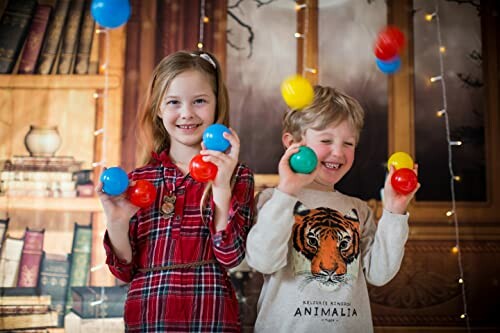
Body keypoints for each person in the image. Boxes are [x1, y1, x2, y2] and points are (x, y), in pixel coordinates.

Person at [97, 50, 255, 332]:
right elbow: (123, 271)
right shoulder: (138, 181)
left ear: (217, 105)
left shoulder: (237, 176)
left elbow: (231, 257)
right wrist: (117, 223)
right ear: (158, 108)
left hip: (213, 317)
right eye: (173, 102)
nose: (187, 113)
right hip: (149, 318)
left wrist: (220, 188)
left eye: (200, 101)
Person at [245, 85, 420, 333]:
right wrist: (286, 193)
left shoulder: (358, 210)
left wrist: (395, 211)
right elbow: (263, 261)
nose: (338, 152)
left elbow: (380, 275)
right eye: (326, 140)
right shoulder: (274, 200)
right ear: (293, 143)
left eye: (348, 143)